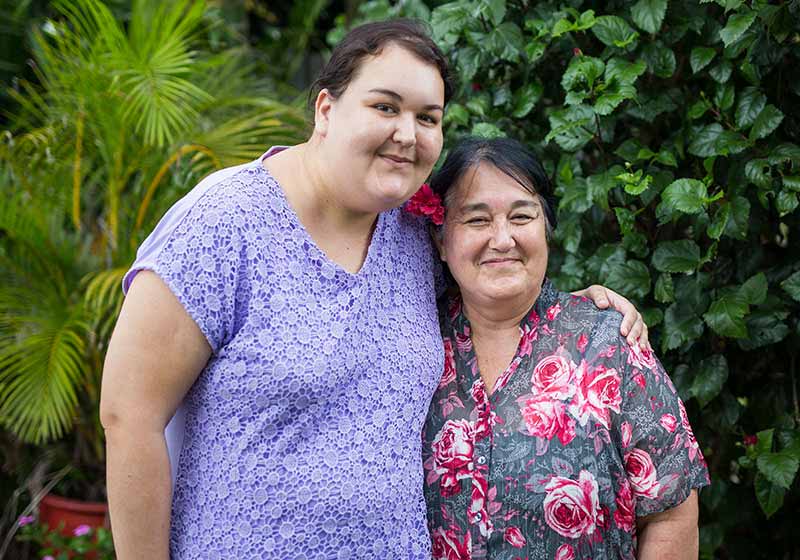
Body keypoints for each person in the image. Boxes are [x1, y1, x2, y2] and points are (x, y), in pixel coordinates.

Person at [99, 20, 649, 559]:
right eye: (385, 107)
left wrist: (582, 306)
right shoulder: (226, 223)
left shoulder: (411, 231)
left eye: (427, 117)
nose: (406, 133)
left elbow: (492, 286)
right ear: (325, 109)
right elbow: (129, 415)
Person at [419, 136, 709, 560]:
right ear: (442, 241)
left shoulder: (610, 343)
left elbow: (671, 510)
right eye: (476, 220)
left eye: (521, 216)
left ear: (547, 229)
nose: (502, 239)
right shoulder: (412, 345)